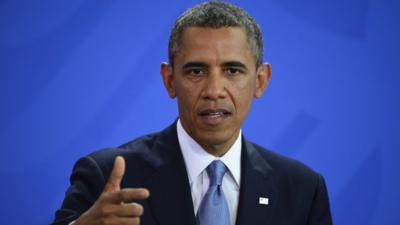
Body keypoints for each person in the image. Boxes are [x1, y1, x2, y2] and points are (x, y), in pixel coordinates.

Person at [52, 1, 333, 225]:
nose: (214, 90)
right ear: (169, 80)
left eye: (232, 70)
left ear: (260, 80)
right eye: (196, 71)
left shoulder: (303, 190)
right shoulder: (107, 176)